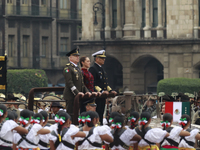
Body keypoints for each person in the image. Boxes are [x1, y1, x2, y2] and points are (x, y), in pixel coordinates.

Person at [89, 50, 117, 124]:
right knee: (97, 111)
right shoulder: (93, 68)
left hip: (102, 95)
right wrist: (101, 91)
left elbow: (105, 83)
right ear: (97, 59)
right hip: (97, 95)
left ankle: (100, 124)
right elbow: (93, 83)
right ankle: (97, 124)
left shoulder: (101, 69)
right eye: (102, 58)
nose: (104, 60)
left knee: (101, 111)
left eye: (104, 58)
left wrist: (111, 91)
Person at [63, 48, 91, 115]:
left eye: (78, 56)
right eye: (75, 56)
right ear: (70, 57)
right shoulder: (68, 68)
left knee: (76, 114)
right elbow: (69, 82)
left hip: (78, 95)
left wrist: (87, 92)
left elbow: (82, 83)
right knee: (71, 113)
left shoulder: (77, 68)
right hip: (71, 95)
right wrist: (77, 92)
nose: (77, 57)